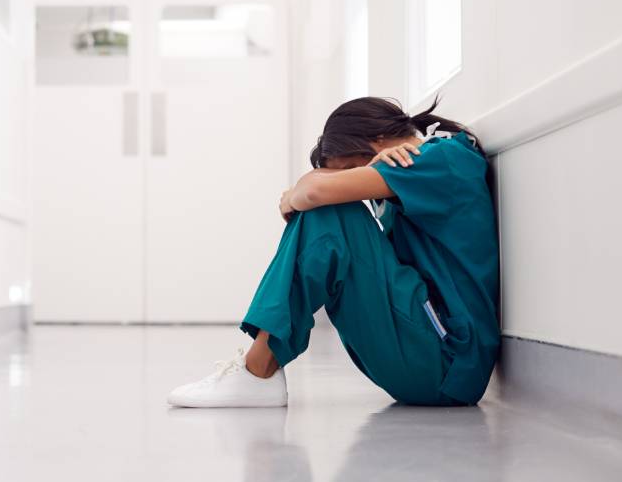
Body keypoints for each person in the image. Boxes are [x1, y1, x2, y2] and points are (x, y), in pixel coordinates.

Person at [167, 96, 499, 408]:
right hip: (430, 353)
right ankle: (258, 369)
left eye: (351, 168)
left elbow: (311, 194)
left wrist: (294, 195)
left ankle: (258, 371)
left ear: (379, 139)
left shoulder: (438, 160)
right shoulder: (418, 165)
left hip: (447, 360)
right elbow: (313, 192)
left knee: (330, 211)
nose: (353, 179)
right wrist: (311, 190)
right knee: (327, 210)